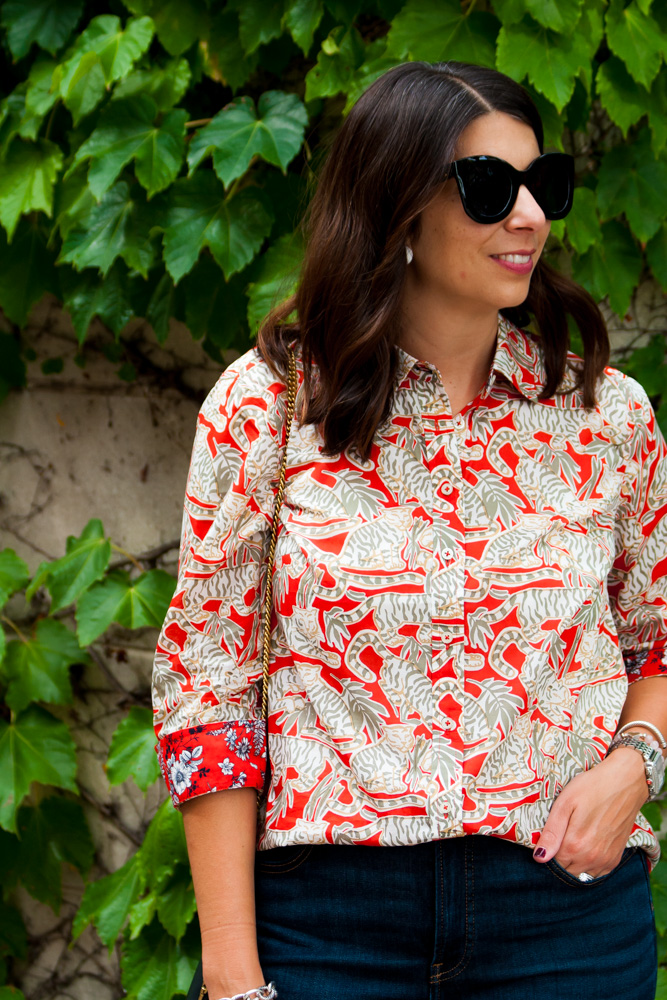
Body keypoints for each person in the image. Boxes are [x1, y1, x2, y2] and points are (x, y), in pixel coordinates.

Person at [152, 61, 666, 1000]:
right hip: (328, 925)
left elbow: (656, 635)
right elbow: (209, 687)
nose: (527, 216)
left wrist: (636, 766)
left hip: (566, 920)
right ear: (396, 205)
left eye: (541, 185)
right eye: (486, 187)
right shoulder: (267, 407)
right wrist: (231, 975)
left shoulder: (606, 416)